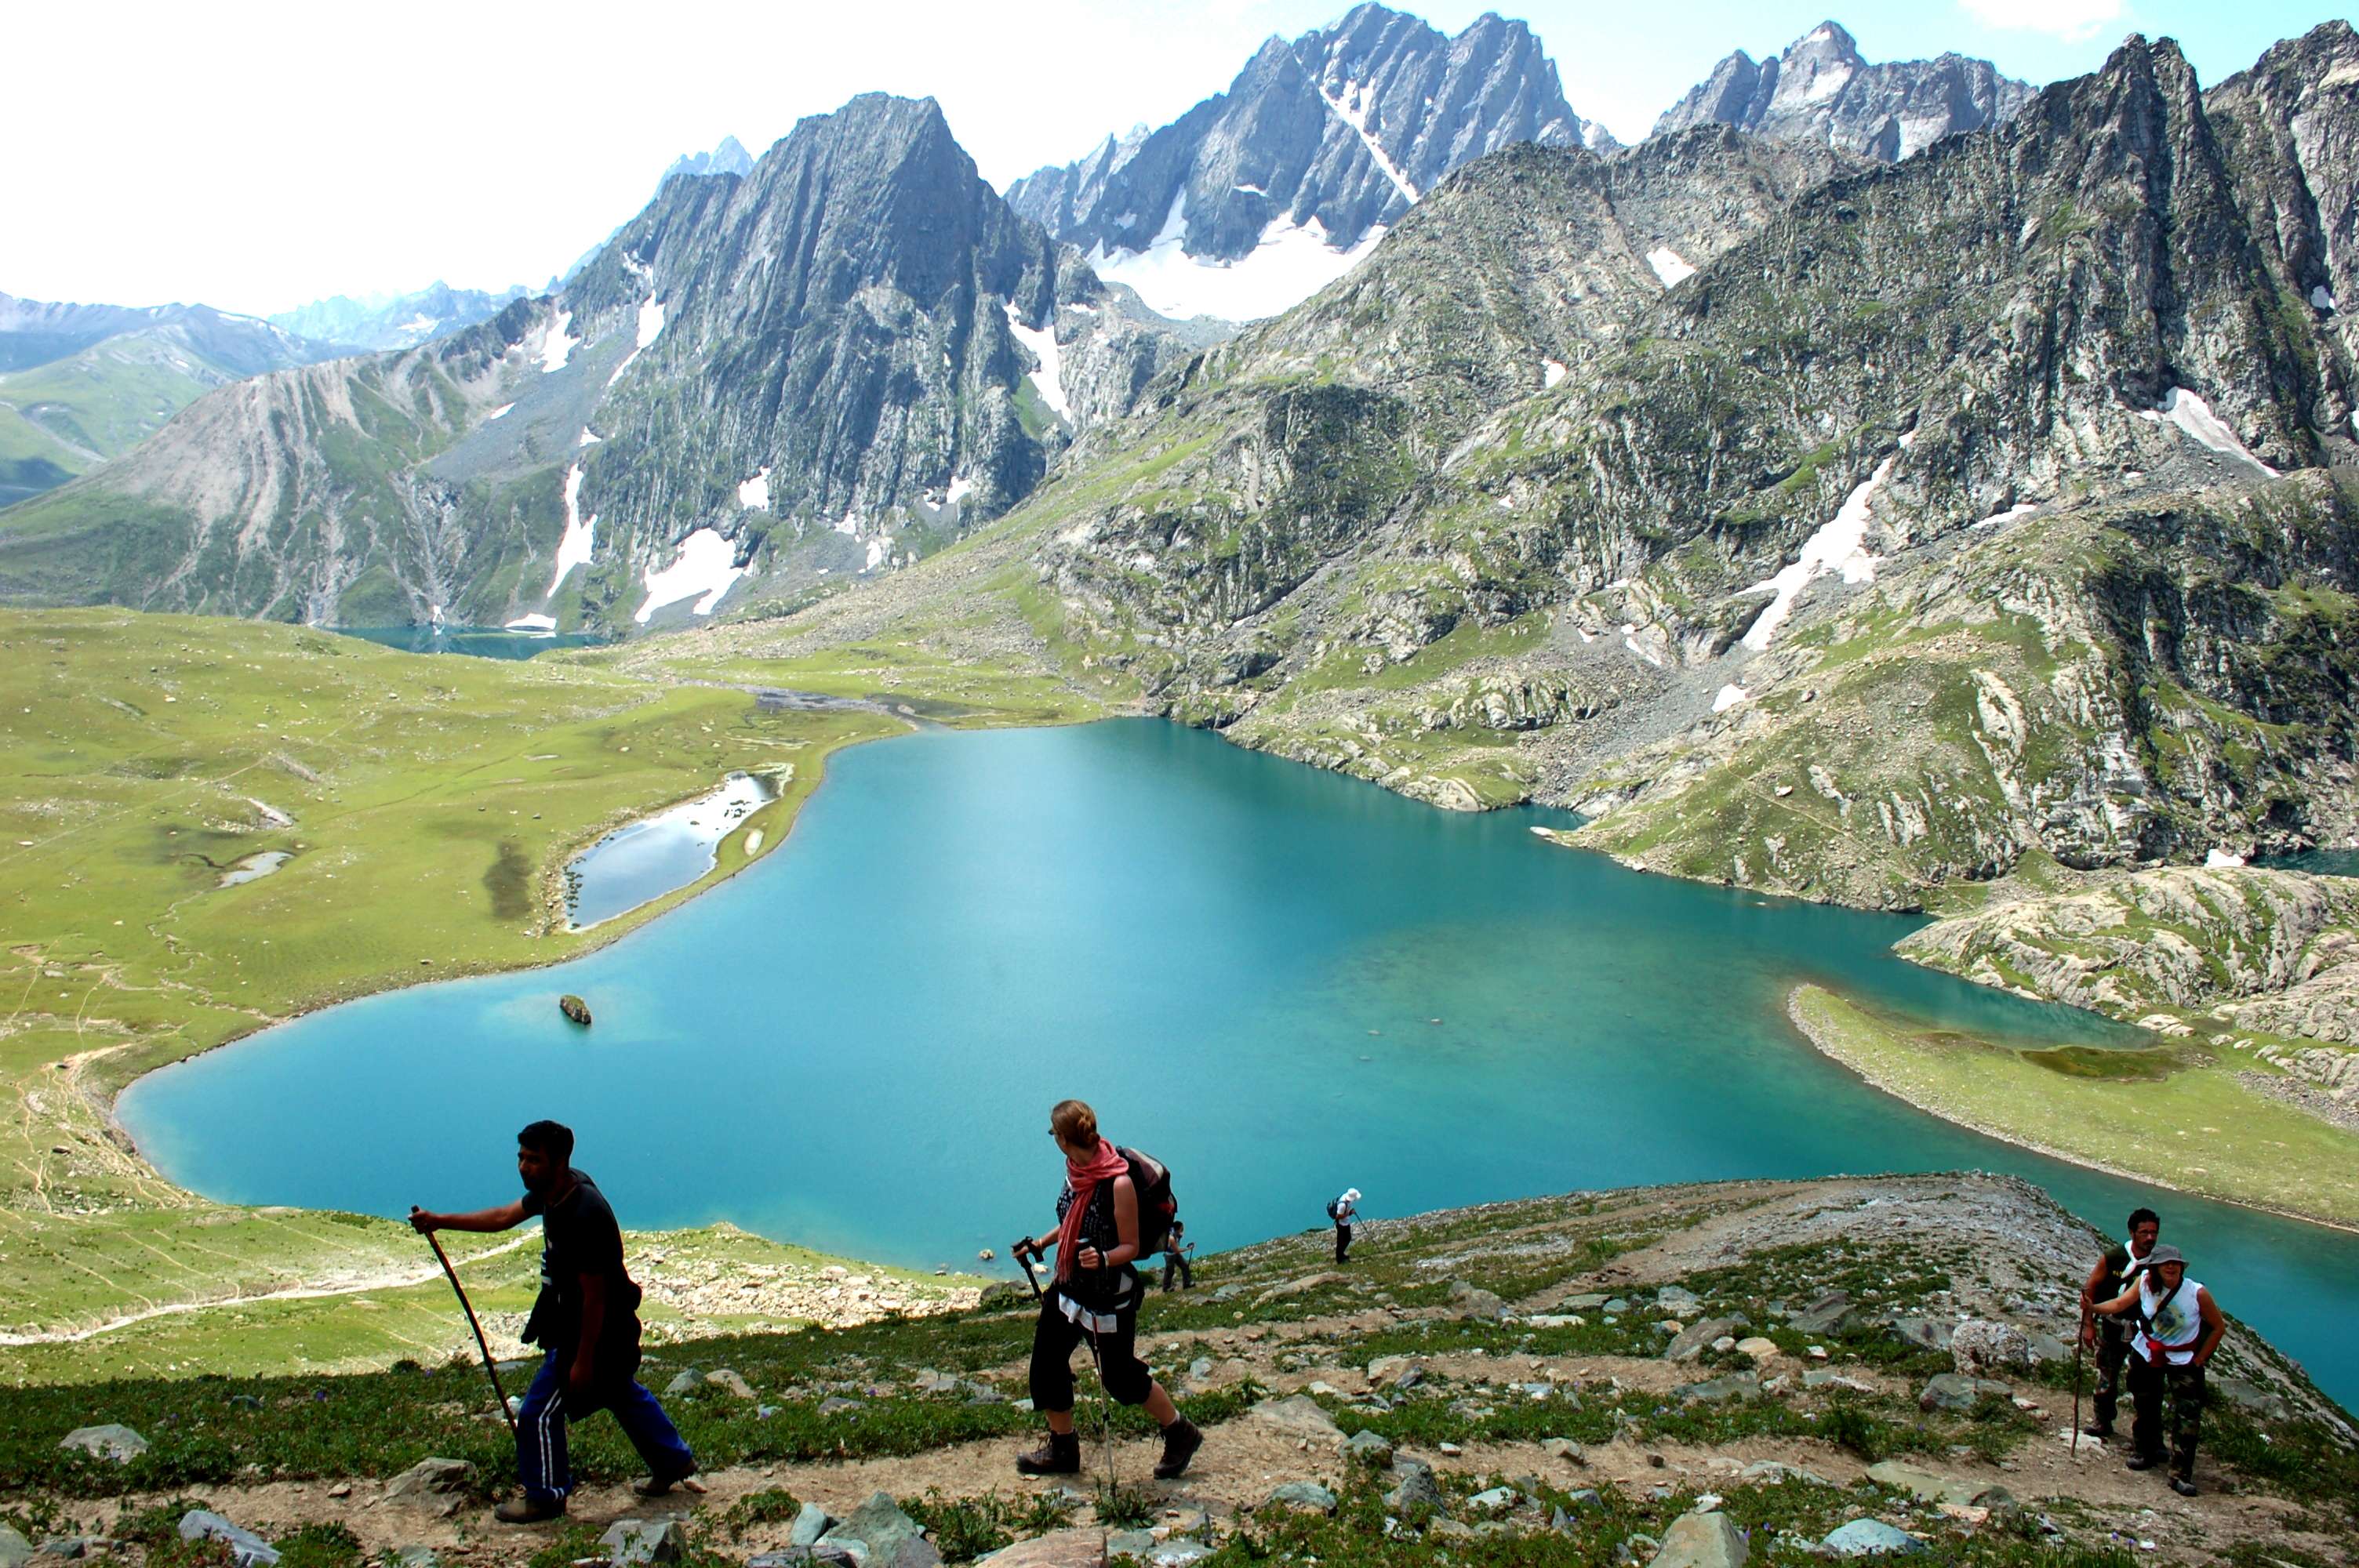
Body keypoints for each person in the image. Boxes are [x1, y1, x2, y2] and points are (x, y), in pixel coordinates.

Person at [411, 1120, 696, 1523]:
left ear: (560, 1162)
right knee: (618, 1390)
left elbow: (596, 1297)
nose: (525, 1168)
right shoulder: (553, 1193)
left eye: (535, 1160)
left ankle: (545, 1496)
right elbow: (502, 1216)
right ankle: (674, 1461)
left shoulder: (584, 1212)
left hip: (593, 1330)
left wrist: (582, 1360)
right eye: (522, 1158)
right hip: (588, 1325)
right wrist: (441, 1220)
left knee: (538, 1413)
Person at [1012, 1098, 1202, 1481]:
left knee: (1121, 1379)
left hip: (1107, 1298)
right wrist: (1042, 1245)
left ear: (1064, 1139)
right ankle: (1063, 1448)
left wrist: (1102, 1258)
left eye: (1055, 1134)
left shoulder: (1118, 1183)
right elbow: (1070, 1223)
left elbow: (1130, 1247)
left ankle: (1181, 1433)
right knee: (1046, 1366)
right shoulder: (1075, 1171)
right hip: (1067, 1287)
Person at [2090, 1243, 2224, 1497]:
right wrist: (2094, 1308)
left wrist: (2201, 1358)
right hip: (2148, 1353)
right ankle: (2145, 1452)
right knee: (2145, 1404)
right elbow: (2119, 1304)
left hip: (2183, 1359)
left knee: (2188, 1416)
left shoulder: (2197, 1293)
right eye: (2166, 1264)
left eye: (2176, 1263)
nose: (2171, 1267)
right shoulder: (2144, 1283)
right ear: (2156, 1267)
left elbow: (2218, 1327)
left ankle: (2181, 1473)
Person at [2078, 1207, 2163, 1439]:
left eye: (2154, 1233)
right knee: (2107, 1375)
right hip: (2112, 1324)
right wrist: (2089, 1324)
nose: (2150, 1238)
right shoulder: (2114, 1257)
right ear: (2132, 1232)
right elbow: (2090, 1288)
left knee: (2146, 1384)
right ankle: (2102, 1421)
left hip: (2143, 1332)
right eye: (2144, 1232)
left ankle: (2148, 1436)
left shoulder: (2160, 1262)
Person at [1161, 1219, 1194, 1291]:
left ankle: (1187, 1283)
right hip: (1170, 1256)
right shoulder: (1171, 1238)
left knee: (1185, 1266)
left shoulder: (1177, 1234)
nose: (1183, 1229)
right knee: (1170, 1271)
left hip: (1175, 1254)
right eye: (1182, 1227)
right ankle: (1166, 1287)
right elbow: (1177, 1250)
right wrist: (1188, 1248)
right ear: (1178, 1228)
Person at [1329, 1187, 1360, 1263]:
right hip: (1342, 1225)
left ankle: (1341, 1255)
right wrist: (1349, 1213)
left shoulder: (1345, 1199)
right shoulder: (1342, 1205)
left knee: (1346, 1239)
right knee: (1342, 1241)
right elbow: (1338, 1216)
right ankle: (1339, 1259)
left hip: (1346, 1223)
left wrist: (1350, 1211)